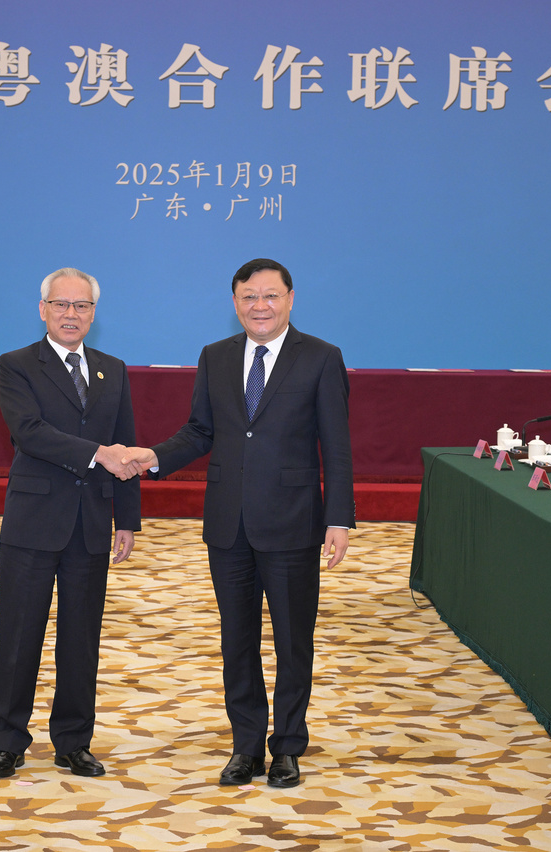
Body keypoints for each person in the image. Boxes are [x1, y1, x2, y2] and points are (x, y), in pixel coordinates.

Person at [122, 258, 354, 789]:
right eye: (249, 297)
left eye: (271, 296)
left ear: (290, 299)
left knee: (293, 641)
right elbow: (200, 430)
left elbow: (336, 446)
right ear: (235, 303)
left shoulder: (321, 357)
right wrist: (153, 457)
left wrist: (339, 517)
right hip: (228, 525)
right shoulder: (216, 356)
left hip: (294, 522)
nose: (260, 306)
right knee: (237, 640)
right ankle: (246, 746)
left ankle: (287, 747)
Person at [0, 267, 142, 781]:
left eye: (82, 306)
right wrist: (98, 453)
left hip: (91, 521)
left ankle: (73, 742)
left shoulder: (113, 370)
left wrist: (127, 518)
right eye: (61, 304)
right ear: (43, 309)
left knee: (81, 638)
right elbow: (29, 432)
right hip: (33, 521)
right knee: (18, 634)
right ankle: (9, 742)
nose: (71, 314)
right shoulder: (16, 365)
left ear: (94, 313)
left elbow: (126, 443)